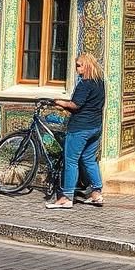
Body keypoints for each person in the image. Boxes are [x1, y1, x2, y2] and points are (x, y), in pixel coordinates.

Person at [45, 52, 105, 209]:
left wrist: (60, 102)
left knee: (71, 161)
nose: (77, 69)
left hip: (80, 128)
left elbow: (75, 105)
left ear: (87, 66)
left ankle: (66, 197)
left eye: (79, 66)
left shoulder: (85, 83)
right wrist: (66, 106)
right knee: (89, 159)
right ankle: (96, 193)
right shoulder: (100, 82)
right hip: (95, 127)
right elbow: (88, 104)